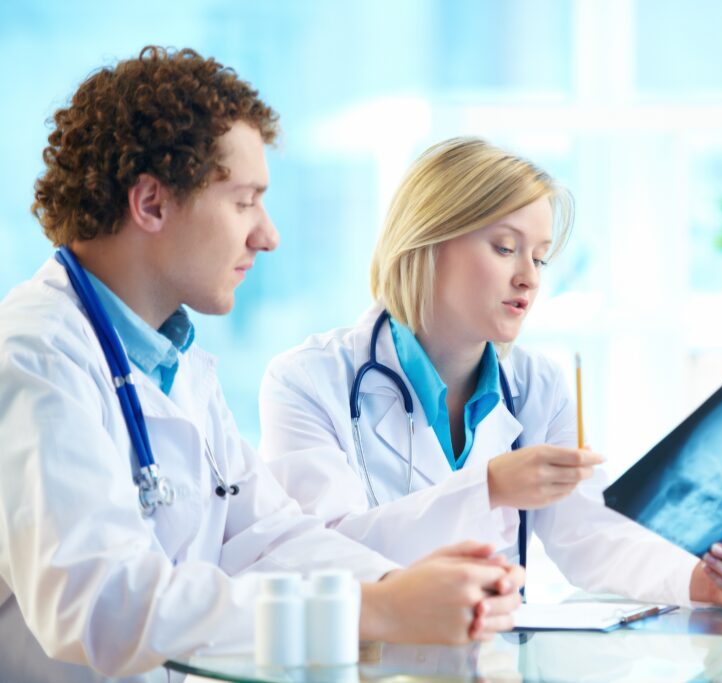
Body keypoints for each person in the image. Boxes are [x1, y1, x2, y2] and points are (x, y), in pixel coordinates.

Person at [0, 47, 523, 683]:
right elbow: (100, 604)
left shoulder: (174, 359)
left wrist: (405, 587)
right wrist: (371, 609)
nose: (267, 235)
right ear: (152, 205)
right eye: (245, 201)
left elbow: (267, 537)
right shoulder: (35, 355)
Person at [259, 137, 722, 608]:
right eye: (505, 248)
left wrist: (699, 580)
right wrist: (488, 488)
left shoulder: (539, 387)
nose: (528, 278)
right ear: (426, 243)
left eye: (540, 258)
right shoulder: (307, 382)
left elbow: (591, 535)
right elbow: (321, 558)